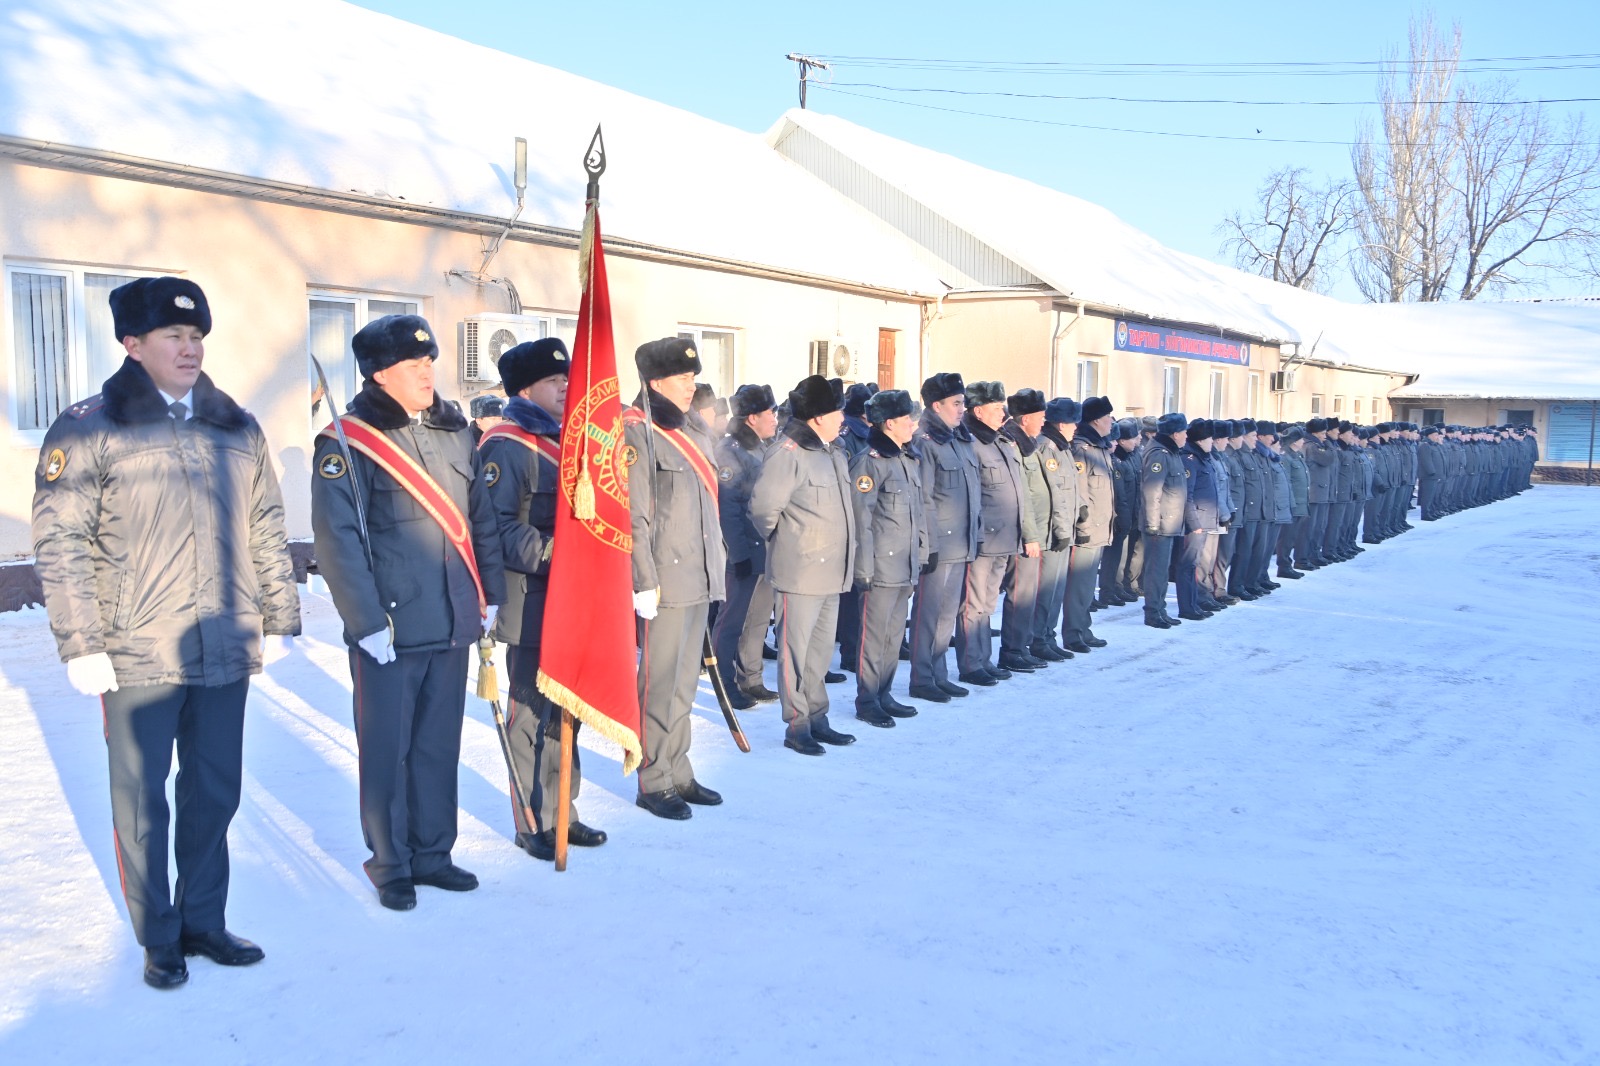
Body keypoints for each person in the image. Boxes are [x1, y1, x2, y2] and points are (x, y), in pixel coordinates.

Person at [32, 277, 300, 990]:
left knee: (214, 791)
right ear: (132, 344)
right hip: (134, 648)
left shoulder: (235, 424)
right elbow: (61, 543)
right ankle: (159, 936)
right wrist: (82, 643)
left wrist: (276, 616)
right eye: (172, 337)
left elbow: (267, 525)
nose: (189, 347)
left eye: (196, 336)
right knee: (143, 800)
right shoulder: (92, 425)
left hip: (223, 642)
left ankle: (204, 921)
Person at [312, 314, 507, 912]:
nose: (427, 372)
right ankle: (390, 861)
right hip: (390, 629)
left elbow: (481, 520)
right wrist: (365, 622)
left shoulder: (456, 433)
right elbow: (337, 538)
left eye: (429, 362)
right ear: (377, 373)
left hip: (451, 618)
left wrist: (489, 592)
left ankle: (433, 853)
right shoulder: (347, 441)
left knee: (436, 746)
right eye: (412, 365)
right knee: (387, 749)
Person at [479, 338, 607, 861]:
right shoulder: (506, 446)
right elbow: (497, 526)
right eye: (555, 381)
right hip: (530, 601)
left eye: (566, 380)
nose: (564, 387)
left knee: (566, 710)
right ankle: (531, 820)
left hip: (571, 599)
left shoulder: (569, 442)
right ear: (526, 387)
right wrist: (560, 553)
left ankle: (563, 813)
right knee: (531, 713)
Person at [626, 338, 726, 819]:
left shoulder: (693, 431)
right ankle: (653, 779)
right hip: (663, 582)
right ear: (654, 382)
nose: (691, 385)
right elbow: (634, 516)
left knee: (685, 683)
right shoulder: (636, 433)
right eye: (682, 378)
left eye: (692, 377)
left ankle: (678, 769)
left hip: (699, 576)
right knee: (659, 684)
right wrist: (642, 580)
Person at [750, 375, 858, 755]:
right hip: (800, 571)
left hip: (831, 572)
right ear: (816, 418)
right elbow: (763, 510)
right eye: (836, 411)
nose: (842, 416)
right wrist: (788, 542)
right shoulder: (788, 453)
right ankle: (797, 726)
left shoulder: (834, 452)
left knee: (819, 653)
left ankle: (818, 717)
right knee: (795, 654)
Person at [848, 389, 928, 727]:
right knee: (874, 634)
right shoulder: (870, 462)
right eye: (907, 418)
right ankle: (867, 698)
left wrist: (922, 552)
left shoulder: (907, 459)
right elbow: (860, 519)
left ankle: (884, 692)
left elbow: (918, 513)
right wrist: (863, 569)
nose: (913, 423)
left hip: (905, 564)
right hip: (880, 565)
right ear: (890, 423)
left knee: (895, 634)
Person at [907, 373, 980, 704]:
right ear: (936, 406)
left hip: (961, 542)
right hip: (938, 544)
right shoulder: (925, 441)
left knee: (947, 614)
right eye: (957, 403)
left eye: (963, 402)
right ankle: (922, 677)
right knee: (928, 613)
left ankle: (939, 673)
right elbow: (922, 499)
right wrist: (927, 545)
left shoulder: (958, 439)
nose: (963, 409)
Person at [955, 380, 1032, 687]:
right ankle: (971, 663)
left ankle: (984, 659)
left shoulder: (1000, 442)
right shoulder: (972, 444)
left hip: (1004, 536)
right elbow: (970, 495)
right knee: (973, 605)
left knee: (988, 604)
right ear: (978, 411)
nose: (1003, 414)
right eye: (997, 408)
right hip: (984, 537)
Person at [712, 384, 780, 709]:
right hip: (742, 552)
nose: (776, 419)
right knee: (732, 621)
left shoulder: (763, 447)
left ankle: (751, 679)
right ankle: (725, 684)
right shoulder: (731, 451)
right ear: (753, 417)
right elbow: (729, 508)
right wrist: (737, 553)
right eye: (771, 413)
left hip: (764, 549)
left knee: (757, 619)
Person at [1064, 396, 1116, 653]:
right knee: (1078, 586)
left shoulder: (1100, 448)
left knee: (1086, 588)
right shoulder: (1082, 449)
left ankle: (1083, 628)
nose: (1111, 422)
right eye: (1108, 418)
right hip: (1087, 529)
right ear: (1096, 420)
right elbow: (1080, 494)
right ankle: (1073, 633)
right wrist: (1083, 527)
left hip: (1099, 527)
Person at [1032, 397, 1082, 661]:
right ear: (1062, 423)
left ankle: (1048, 636)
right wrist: (1062, 529)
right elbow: (1053, 493)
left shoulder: (1063, 447)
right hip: (1051, 531)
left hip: (1064, 528)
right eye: (1073, 422)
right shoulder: (1047, 447)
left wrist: (1081, 512)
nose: (1076, 427)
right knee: (1046, 589)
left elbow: (1072, 488)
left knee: (1057, 588)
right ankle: (1038, 638)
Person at [1139, 412, 1189, 628]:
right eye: (1184, 432)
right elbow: (1152, 491)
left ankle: (1160, 608)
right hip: (1159, 523)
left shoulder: (1171, 452)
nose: (1186, 436)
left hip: (1169, 522)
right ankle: (1152, 612)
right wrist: (1152, 522)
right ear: (1175, 434)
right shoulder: (1159, 454)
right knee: (1156, 571)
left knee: (1162, 570)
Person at [1177, 418, 1220, 621]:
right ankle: (1187, 607)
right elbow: (1188, 494)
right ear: (1202, 440)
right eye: (1210, 438)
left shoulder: (1204, 458)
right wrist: (1194, 524)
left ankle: (1194, 604)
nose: (1213, 441)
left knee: (1194, 565)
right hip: (1196, 522)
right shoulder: (1190, 459)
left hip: (1205, 519)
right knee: (1188, 566)